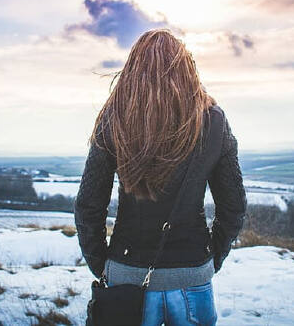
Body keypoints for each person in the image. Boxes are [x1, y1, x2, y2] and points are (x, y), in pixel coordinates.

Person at [74, 28, 247, 326]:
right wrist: (207, 259)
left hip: (126, 273)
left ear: (133, 70)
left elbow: (88, 206)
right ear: (186, 68)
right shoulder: (213, 120)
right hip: (193, 270)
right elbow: (234, 206)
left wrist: (104, 265)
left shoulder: (115, 117)